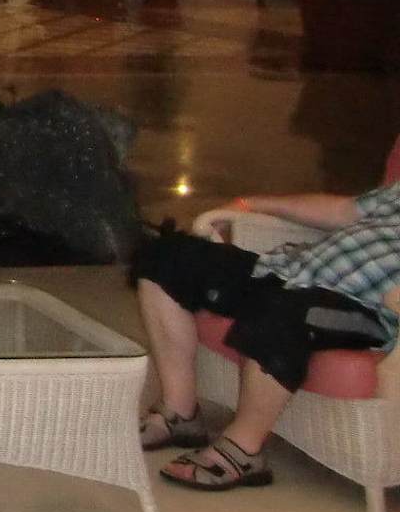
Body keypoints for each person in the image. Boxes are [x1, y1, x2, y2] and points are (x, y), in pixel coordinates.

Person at [132, 176, 400, 491]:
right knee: (165, 256)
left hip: (363, 308)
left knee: (283, 310)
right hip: (287, 270)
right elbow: (344, 210)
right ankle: (180, 413)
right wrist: (254, 203)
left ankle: (244, 450)